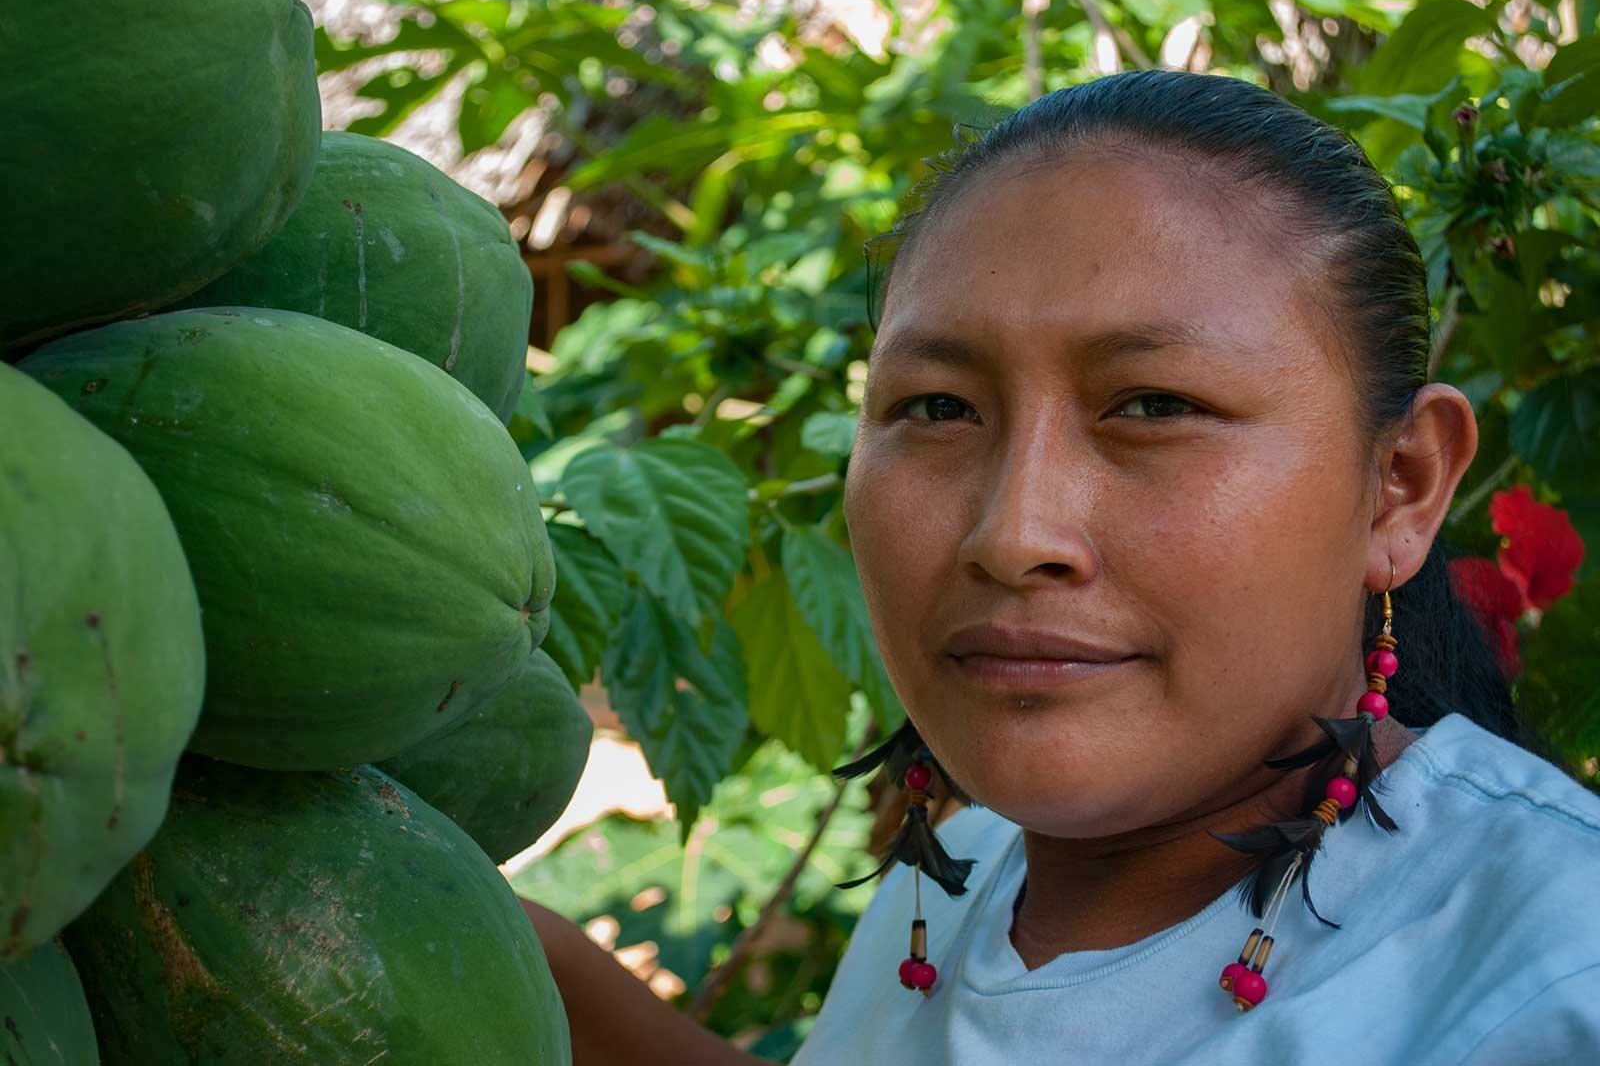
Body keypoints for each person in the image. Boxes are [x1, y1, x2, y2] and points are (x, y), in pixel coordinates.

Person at [522, 68, 1600, 1065]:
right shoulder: (969, 869)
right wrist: (533, 966)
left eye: (1155, 406)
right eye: (937, 408)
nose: (1011, 531)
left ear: (1400, 486)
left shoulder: (1553, 980)